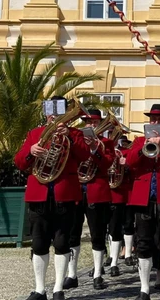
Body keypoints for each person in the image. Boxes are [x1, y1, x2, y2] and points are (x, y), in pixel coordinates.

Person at [13, 96, 105, 300]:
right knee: (38, 243)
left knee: (62, 242)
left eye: (59, 111)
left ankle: (58, 289)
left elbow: (84, 156)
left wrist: (70, 138)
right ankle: (39, 289)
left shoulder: (76, 134)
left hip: (65, 194)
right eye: (51, 111)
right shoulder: (35, 134)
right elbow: (19, 162)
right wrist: (30, 152)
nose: (54, 115)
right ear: (46, 113)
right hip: (39, 195)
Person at [125, 104, 160, 300]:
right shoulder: (139, 140)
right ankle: (144, 289)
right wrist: (143, 147)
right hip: (143, 199)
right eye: (153, 119)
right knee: (144, 243)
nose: (155, 122)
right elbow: (130, 162)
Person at [64, 109, 113, 289]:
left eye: (95, 122)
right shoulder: (77, 141)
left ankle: (98, 274)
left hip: (97, 190)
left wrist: (94, 148)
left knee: (97, 234)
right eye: (88, 122)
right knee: (72, 234)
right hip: (77, 190)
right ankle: (72, 274)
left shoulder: (107, 143)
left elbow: (107, 163)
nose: (91, 125)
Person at [107, 134, 135, 276]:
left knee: (128, 223)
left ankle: (128, 253)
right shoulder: (105, 151)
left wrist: (127, 165)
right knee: (112, 227)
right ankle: (113, 257)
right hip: (111, 193)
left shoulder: (125, 151)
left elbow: (134, 171)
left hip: (127, 192)